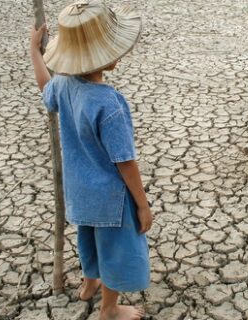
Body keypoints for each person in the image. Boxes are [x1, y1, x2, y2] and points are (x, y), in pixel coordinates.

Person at [29, 1, 151, 319]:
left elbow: (46, 87)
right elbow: (125, 161)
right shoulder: (109, 104)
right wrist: (142, 203)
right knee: (113, 251)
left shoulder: (64, 85)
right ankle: (109, 310)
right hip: (110, 198)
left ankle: (88, 284)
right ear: (108, 56)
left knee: (89, 241)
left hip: (79, 192)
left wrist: (34, 52)